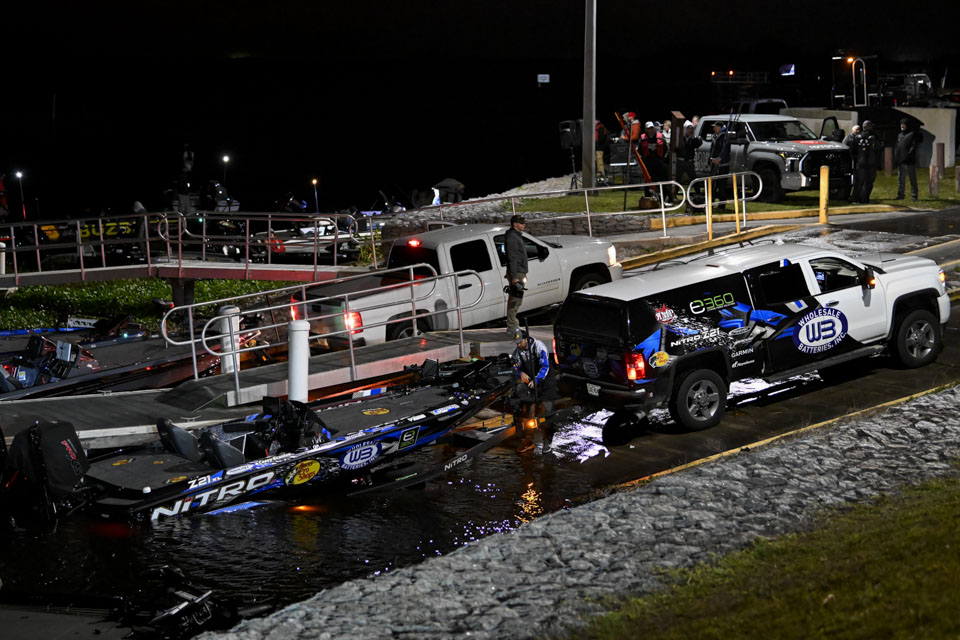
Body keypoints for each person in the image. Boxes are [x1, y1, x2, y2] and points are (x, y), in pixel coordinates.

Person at [512, 329, 557, 453]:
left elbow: (545, 366)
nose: (518, 345)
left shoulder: (539, 346)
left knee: (547, 410)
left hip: (545, 383)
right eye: (516, 343)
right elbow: (514, 367)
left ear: (526, 339)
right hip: (530, 383)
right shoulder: (518, 352)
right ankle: (528, 439)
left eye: (520, 342)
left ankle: (548, 440)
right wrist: (520, 373)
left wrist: (537, 380)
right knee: (527, 411)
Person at [504, 214, 528, 338]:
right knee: (515, 299)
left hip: (518, 271)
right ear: (515, 224)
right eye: (521, 223)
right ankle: (512, 326)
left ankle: (512, 324)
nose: (524, 224)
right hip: (517, 272)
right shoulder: (512, 237)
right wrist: (514, 277)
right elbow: (512, 257)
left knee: (516, 299)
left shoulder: (515, 235)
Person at [853, 120, 883, 204]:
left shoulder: (857, 137)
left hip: (860, 163)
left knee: (859, 182)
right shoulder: (873, 137)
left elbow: (852, 150)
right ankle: (865, 199)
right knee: (869, 182)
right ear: (870, 127)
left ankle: (856, 199)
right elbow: (879, 148)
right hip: (871, 163)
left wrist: (857, 159)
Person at [676, 121, 703, 211]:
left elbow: (698, 144)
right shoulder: (680, 138)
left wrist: (693, 137)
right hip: (680, 161)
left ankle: (698, 194)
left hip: (690, 162)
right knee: (677, 179)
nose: (690, 130)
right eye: (688, 129)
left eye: (691, 129)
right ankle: (673, 195)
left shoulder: (693, 139)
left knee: (694, 178)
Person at [894, 118, 922, 201]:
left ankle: (914, 195)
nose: (902, 126)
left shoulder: (912, 135)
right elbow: (897, 147)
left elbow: (913, 147)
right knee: (900, 180)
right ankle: (900, 195)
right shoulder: (900, 135)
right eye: (901, 124)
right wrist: (897, 157)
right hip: (901, 161)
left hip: (909, 161)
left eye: (904, 124)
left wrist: (908, 156)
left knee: (912, 179)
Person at [708, 121, 731, 209]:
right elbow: (712, 149)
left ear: (719, 128)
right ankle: (711, 202)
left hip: (723, 165)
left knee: (721, 186)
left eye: (715, 127)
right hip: (714, 164)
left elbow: (725, 150)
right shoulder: (715, 137)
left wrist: (720, 159)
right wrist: (711, 159)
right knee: (712, 185)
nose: (714, 129)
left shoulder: (725, 137)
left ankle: (722, 205)